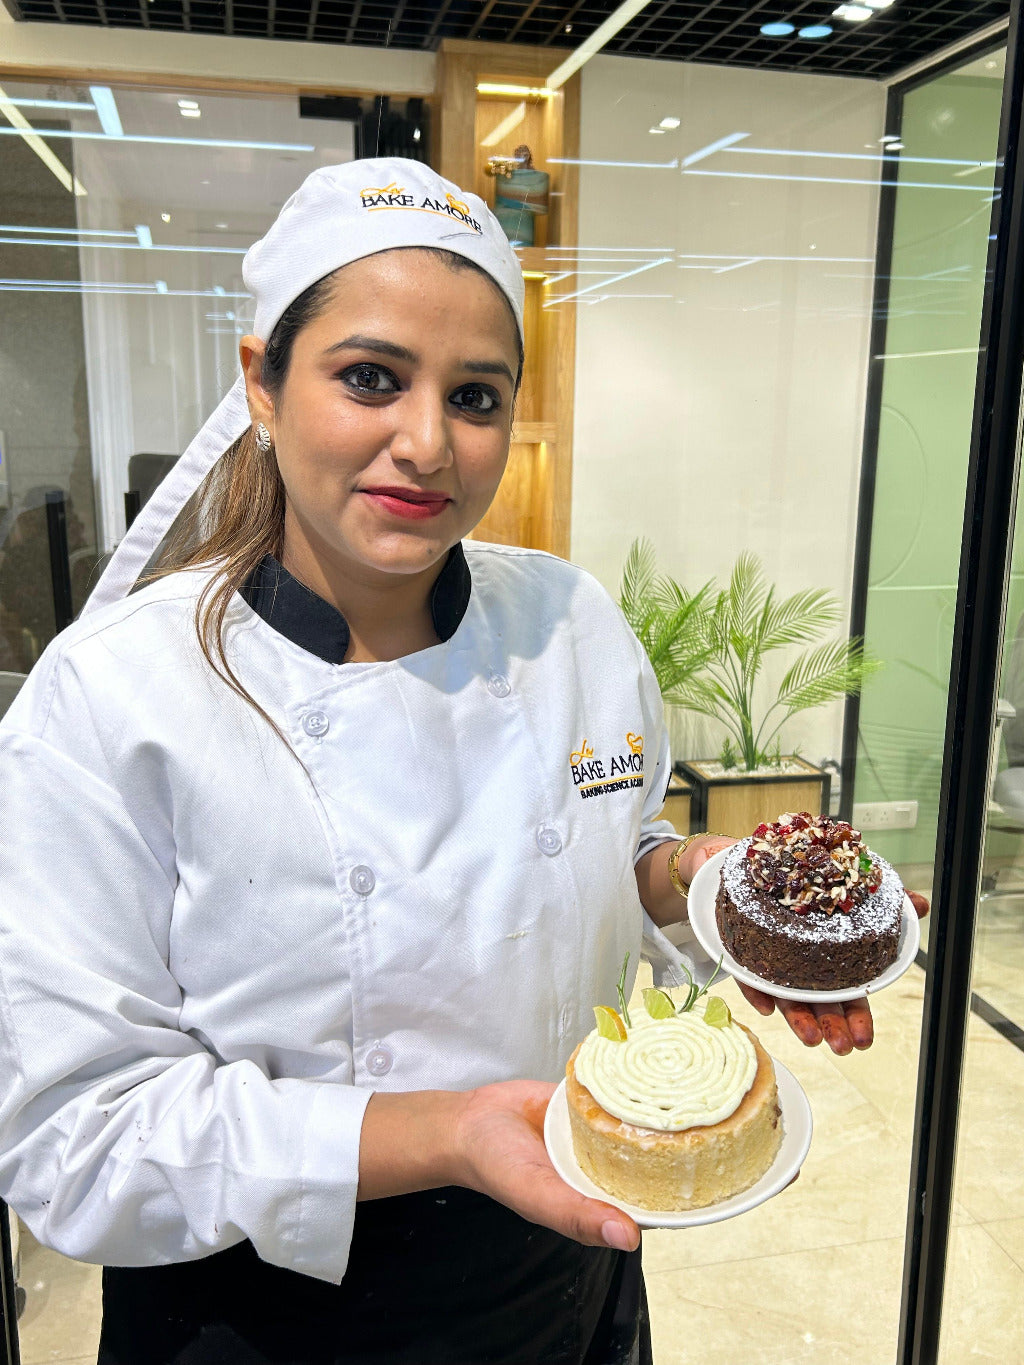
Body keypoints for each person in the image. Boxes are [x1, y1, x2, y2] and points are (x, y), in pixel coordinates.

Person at [0, 159, 921, 1365]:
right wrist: (446, 1134)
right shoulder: (116, 693)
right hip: (268, 1311)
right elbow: (77, 1137)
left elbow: (607, 844)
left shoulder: (569, 619)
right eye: (370, 378)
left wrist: (703, 883)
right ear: (262, 385)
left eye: (475, 396)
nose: (426, 443)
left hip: (570, 1261)